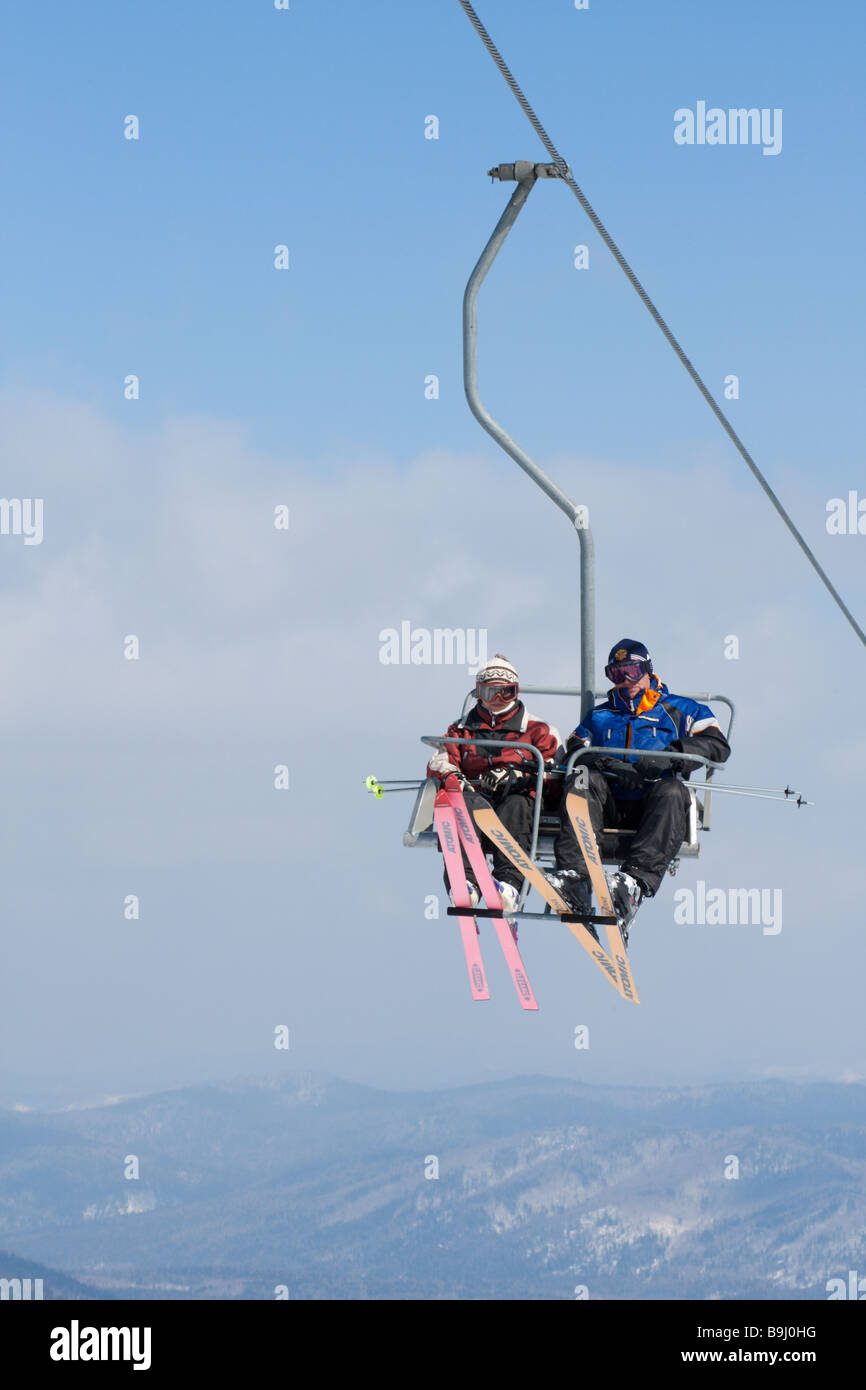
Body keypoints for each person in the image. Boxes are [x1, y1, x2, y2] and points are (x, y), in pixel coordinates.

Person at [548, 639, 731, 940]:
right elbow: (575, 751)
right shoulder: (600, 716)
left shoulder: (681, 710)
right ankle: (575, 876)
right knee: (582, 778)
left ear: (647, 670)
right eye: (616, 674)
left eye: (632, 671)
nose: (626, 681)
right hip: (608, 805)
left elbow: (716, 744)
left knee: (674, 791)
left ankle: (633, 884)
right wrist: (609, 763)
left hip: (652, 805)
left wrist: (669, 757)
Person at [427, 654, 562, 923]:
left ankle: (508, 883)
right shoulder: (462, 730)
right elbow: (440, 760)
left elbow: (554, 767)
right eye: (489, 692)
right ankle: (465, 881)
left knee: (517, 804)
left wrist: (518, 773)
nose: (496, 700)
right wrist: (455, 778)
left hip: (516, 797)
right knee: (463, 803)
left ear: (516, 692)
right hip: (476, 798)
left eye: (505, 693)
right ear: (479, 693)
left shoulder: (538, 730)